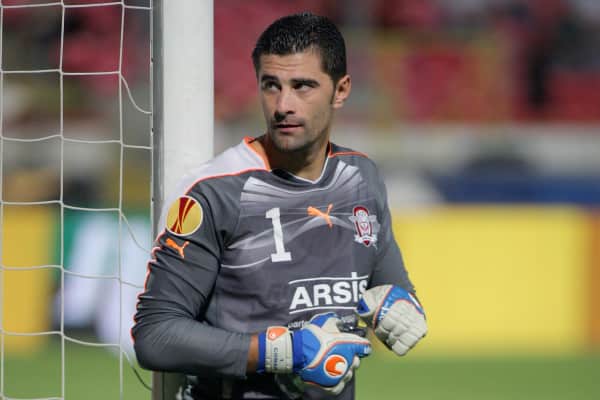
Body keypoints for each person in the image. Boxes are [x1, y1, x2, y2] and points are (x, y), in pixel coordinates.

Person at [132, 12, 427, 400]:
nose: (283, 105)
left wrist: (400, 308)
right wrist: (285, 352)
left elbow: (392, 288)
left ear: (341, 90)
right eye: (271, 85)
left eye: (302, 86)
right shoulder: (215, 192)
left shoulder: (362, 177)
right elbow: (156, 335)